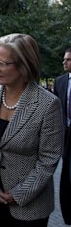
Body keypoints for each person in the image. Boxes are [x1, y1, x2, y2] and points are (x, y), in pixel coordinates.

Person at [0, 33, 64, 227]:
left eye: (2, 63)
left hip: (30, 206)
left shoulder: (48, 104)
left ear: (24, 66)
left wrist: (19, 194)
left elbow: (49, 158)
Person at [55, 47, 71, 224]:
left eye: (68, 59)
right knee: (65, 173)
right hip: (65, 134)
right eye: (64, 59)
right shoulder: (60, 82)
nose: (64, 62)